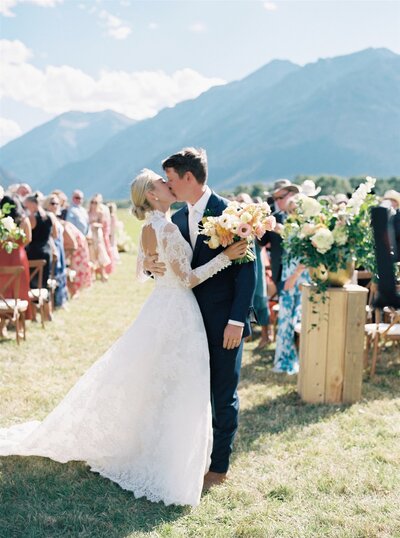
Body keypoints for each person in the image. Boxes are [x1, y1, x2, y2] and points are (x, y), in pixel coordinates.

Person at [0, 168, 247, 507]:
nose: (168, 184)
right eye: (162, 183)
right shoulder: (169, 226)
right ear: (152, 195)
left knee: (160, 382)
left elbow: (149, 266)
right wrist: (224, 257)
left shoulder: (149, 227)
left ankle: (160, 448)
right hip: (178, 311)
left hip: (163, 307)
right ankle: (168, 458)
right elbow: (188, 278)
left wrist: (149, 265)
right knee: (177, 385)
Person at [145, 148, 256, 489]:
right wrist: (152, 268)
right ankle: (188, 456)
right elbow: (175, 268)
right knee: (189, 392)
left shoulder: (230, 213)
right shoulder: (176, 219)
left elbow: (248, 271)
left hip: (224, 323)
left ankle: (218, 468)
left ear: (188, 178)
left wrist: (237, 321)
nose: (169, 185)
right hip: (186, 322)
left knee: (223, 394)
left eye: (172, 179)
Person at [272, 195, 310, 374]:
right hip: (288, 274)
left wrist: (294, 277)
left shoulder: (308, 228)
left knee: (301, 320)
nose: (292, 213)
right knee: (286, 319)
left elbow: (307, 254)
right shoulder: (289, 226)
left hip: (301, 277)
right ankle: (285, 359)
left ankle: (304, 359)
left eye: (296, 209)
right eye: (290, 210)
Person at [258, 179, 300, 294]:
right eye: (275, 199)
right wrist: (258, 228)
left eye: (280, 198)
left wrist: (283, 231)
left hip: (299, 272)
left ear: (291, 194)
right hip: (279, 271)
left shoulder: (302, 216)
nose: (278, 202)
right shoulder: (273, 217)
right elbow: (262, 242)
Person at [0, 194, 33, 332]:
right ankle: (18, 324)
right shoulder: (24, 220)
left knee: (3, 289)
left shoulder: (1, 221)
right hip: (19, 257)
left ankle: (2, 326)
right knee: (19, 289)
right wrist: (18, 245)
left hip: (2, 256)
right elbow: (28, 239)